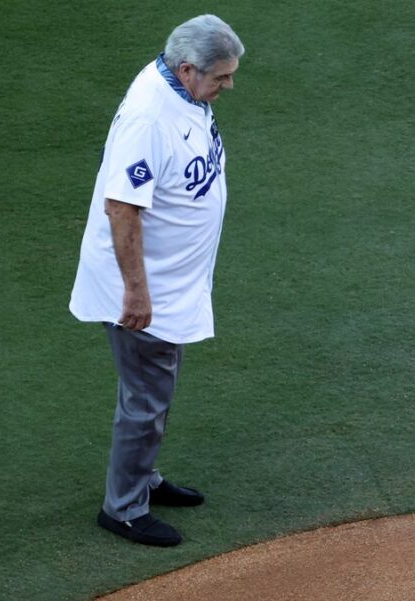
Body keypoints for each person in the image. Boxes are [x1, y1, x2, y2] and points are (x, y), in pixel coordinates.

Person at [69, 15, 245, 547]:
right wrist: (137, 292)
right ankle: (123, 508)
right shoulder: (149, 119)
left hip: (172, 280)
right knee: (146, 398)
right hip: (144, 287)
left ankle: (142, 477)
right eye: (221, 77)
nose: (228, 86)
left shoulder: (184, 91)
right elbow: (121, 207)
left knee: (153, 390)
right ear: (187, 69)